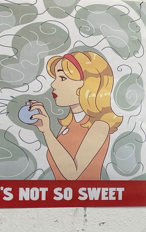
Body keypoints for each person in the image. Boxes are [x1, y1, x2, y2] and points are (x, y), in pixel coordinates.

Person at [27, 51, 122, 180]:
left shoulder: (99, 126)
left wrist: (47, 132)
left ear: (87, 84)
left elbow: (72, 174)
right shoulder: (68, 124)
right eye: (55, 78)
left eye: (62, 78)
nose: (53, 84)